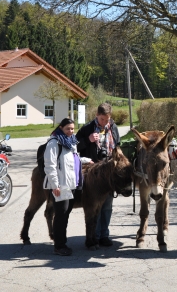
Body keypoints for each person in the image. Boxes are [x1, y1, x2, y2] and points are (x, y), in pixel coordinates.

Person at [43, 118, 92, 256]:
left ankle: (62, 242)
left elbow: (73, 160)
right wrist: (55, 185)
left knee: (65, 215)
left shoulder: (71, 142)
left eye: (72, 129)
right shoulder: (54, 143)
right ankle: (59, 246)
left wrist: (87, 160)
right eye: (67, 129)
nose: (70, 131)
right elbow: (50, 165)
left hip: (71, 184)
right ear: (61, 128)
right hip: (61, 185)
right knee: (61, 215)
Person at [75, 103, 120, 247]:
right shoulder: (87, 128)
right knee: (95, 206)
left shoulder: (113, 128)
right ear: (96, 116)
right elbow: (74, 146)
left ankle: (104, 235)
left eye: (107, 120)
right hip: (93, 174)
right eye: (102, 119)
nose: (104, 123)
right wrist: (88, 140)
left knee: (107, 205)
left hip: (109, 174)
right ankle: (94, 235)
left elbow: (118, 146)